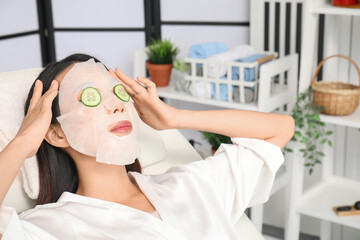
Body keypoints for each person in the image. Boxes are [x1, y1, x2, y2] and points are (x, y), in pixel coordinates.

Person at [0, 53, 294, 239]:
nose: (116, 105)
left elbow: (281, 129)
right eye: (90, 97)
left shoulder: (190, 184)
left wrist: (174, 117)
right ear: (56, 134)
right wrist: (24, 141)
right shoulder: (50, 226)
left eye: (116, 92)